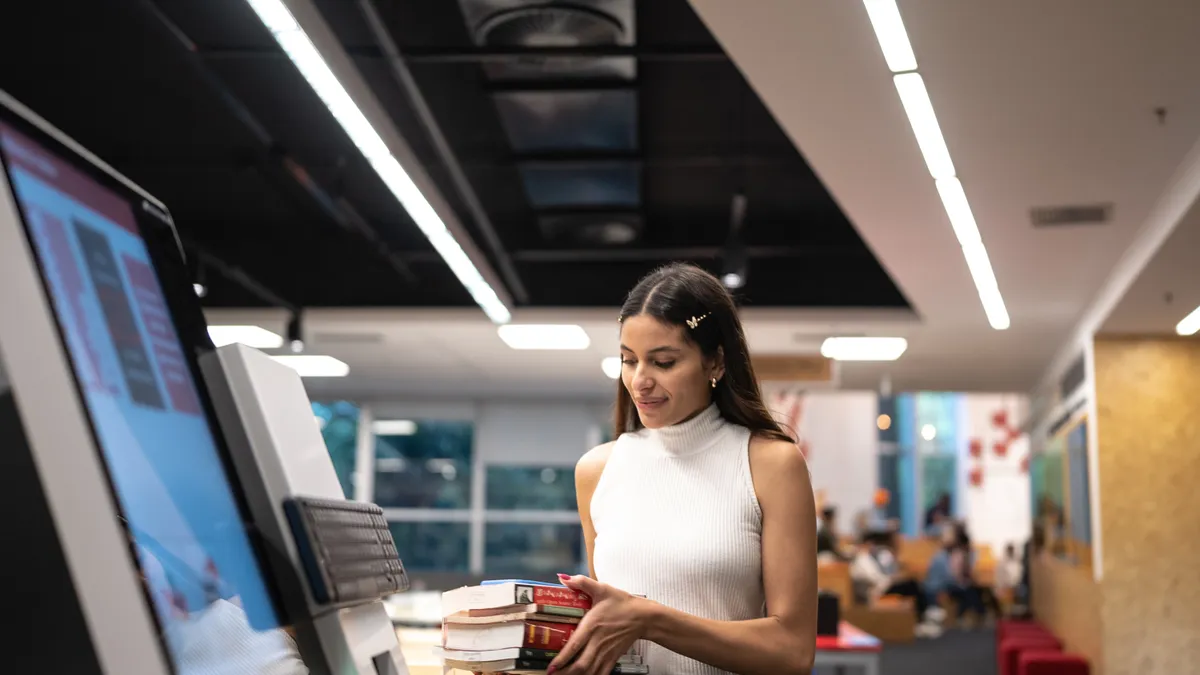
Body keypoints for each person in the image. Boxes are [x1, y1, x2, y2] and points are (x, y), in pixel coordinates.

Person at [552, 263, 817, 675]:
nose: (639, 381)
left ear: (715, 362)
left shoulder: (770, 464)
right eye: (628, 360)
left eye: (663, 362)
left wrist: (651, 619)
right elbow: (607, 632)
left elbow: (792, 652)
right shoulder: (597, 470)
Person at [849, 532, 941, 638]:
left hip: (882, 585)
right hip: (877, 590)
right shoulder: (862, 559)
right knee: (911, 584)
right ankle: (925, 616)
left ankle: (924, 617)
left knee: (912, 584)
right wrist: (892, 579)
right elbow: (875, 578)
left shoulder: (868, 558)